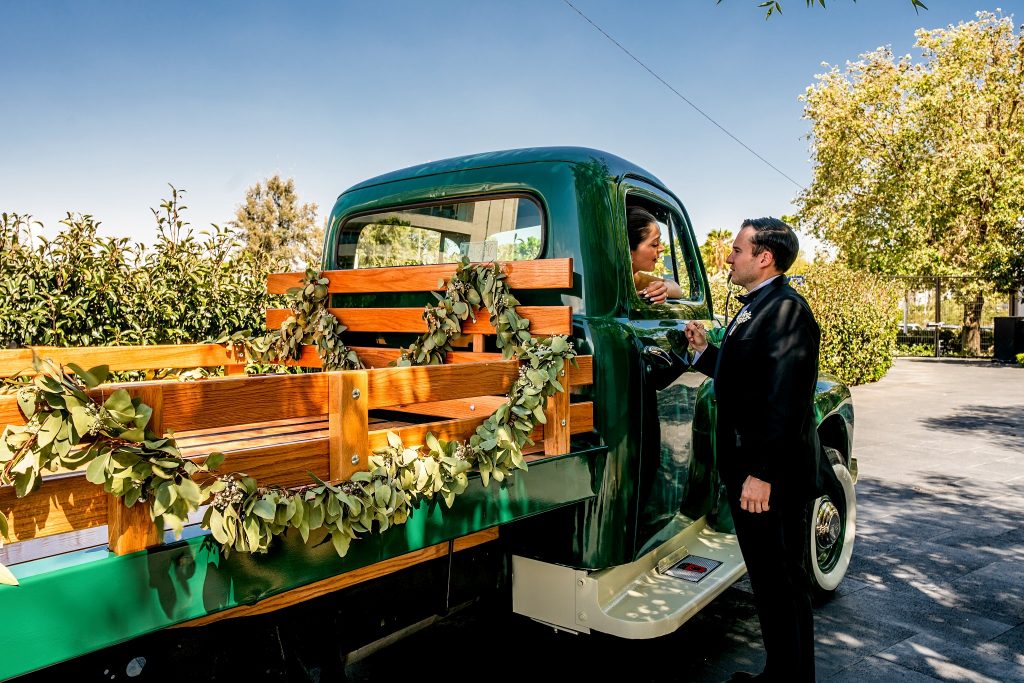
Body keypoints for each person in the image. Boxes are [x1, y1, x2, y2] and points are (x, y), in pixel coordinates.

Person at [683, 217, 821, 682]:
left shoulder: (785, 310)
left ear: (765, 258)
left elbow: (787, 398)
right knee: (768, 582)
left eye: (738, 249)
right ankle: (781, 673)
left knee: (783, 582)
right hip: (752, 471)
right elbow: (747, 378)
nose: (729, 256)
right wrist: (705, 352)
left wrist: (763, 473)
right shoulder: (760, 305)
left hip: (769, 477)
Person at [628, 207, 683, 304]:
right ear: (629, 251)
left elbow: (676, 289)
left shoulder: (636, 278)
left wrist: (663, 289)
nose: (662, 248)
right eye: (654, 244)